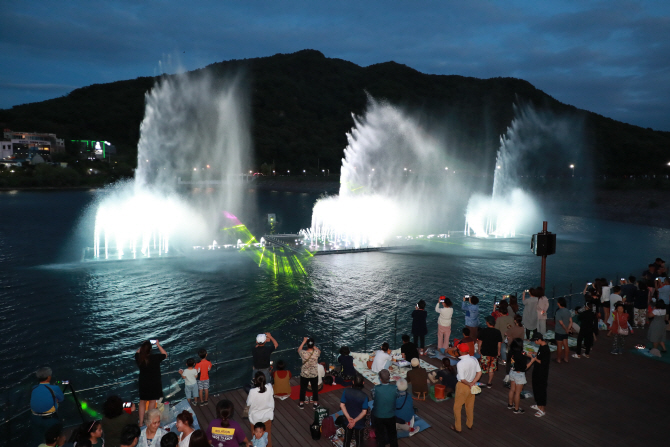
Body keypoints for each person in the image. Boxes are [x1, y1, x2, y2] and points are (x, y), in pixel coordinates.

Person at [450, 343, 482, 433]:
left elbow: (463, 379)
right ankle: (469, 424)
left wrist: (469, 384)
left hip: (462, 386)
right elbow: (479, 373)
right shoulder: (474, 359)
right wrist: (473, 383)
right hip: (472, 385)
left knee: (457, 407)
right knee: (470, 406)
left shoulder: (460, 363)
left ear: (460, 351)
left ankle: (458, 427)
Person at [30, 366, 65, 447]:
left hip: (35, 418)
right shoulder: (54, 388)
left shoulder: (33, 388)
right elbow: (61, 399)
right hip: (50, 419)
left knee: (37, 440)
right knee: (55, 438)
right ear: (49, 377)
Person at [135, 340, 167, 424]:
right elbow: (165, 354)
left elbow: (137, 352)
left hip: (143, 383)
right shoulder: (155, 357)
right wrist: (158, 344)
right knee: (152, 401)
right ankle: (148, 421)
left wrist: (143, 345)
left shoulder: (139, 358)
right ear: (150, 350)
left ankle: (141, 422)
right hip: (154, 383)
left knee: (142, 401)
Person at [339, 374, 368, 447]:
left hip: (348, 420)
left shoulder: (346, 391)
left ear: (353, 382)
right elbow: (364, 412)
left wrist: (349, 418)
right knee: (359, 441)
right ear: (363, 383)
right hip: (359, 421)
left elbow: (342, 405)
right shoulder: (364, 396)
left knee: (347, 439)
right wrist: (354, 421)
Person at [247, 371, 274, 447]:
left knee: (256, 438)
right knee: (267, 438)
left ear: (255, 381)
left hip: (255, 418)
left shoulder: (252, 391)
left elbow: (248, 403)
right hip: (267, 416)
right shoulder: (269, 387)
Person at [371, 369, 398, 447]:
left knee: (380, 436)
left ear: (380, 379)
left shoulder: (375, 389)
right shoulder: (395, 388)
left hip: (378, 415)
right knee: (392, 435)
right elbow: (397, 396)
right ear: (389, 378)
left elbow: (373, 397)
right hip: (390, 415)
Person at [507, 338, 532, 414]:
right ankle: (516, 409)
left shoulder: (511, 352)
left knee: (512, 390)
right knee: (518, 393)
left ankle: (510, 404)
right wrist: (532, 361)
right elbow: (524, 367)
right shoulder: (522, 354)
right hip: (519, 374)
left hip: (512, 372)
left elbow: (509, 361)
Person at [477, 315, 502, 388]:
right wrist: (499, 351)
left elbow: (480, 341)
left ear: (488, 323)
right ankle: (489, 383)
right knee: (491, 369)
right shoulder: (497, 332)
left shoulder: (483, 331)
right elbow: (499, 343)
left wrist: (479, 349)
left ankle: (478, 380)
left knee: (481, 367)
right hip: (493, 353)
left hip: (485, 352)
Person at [529, 334, 550, 417]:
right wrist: (534, 353)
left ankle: (542, 409)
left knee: (541, 389)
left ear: (539, 339)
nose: (534, 342)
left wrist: (534, 359)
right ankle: (538, 404)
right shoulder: (541, 346)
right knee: (536, 387)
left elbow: (543, 362)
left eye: (535, 340)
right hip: (537, 371)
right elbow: (540, 355)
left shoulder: (546, 349)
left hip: (542, 373)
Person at [298, 337, 321, 409]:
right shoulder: (316, 353)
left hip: (304, 374)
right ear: (313, 345)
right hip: (314, 374)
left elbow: (299, 349)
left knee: (303, 388)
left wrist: (304, 341)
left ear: (307, 345)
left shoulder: (303, 353)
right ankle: (315, 403)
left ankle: (301, 403)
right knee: (315, 388)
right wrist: (312, 344)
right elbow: (319, 350)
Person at [503, 315, 525, 380]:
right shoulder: (522, 328)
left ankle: (508, 373)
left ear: (515, 321)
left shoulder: (513, 328)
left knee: (510, 360)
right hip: (519, 345)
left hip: (512, 345)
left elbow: (506, 334)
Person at [554, 297, 572, 363]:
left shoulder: (558, 312)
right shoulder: (567, 311)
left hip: (559, 331)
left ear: (559, 304)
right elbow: (571, 321)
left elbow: (561, 323)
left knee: (559, 346)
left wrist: (566, 329)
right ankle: (566, 358)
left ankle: (558, 359)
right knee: (566, 345)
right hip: (565, 332)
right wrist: (568, 329)